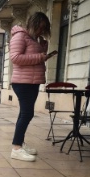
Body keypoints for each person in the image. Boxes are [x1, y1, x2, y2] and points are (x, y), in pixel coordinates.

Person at [9, 12, 56, 162]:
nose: (42, 31)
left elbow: (33, 58)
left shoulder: (32, 39)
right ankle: (16, 148)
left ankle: (20, 143)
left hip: (32, 81)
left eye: (44, 28)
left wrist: (42, 48)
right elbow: (15, 58)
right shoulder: (20, 36)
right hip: (23, 82)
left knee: (24, 113)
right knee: (27, 114)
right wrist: (39, 57)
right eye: (40, 27)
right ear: (33, 24)